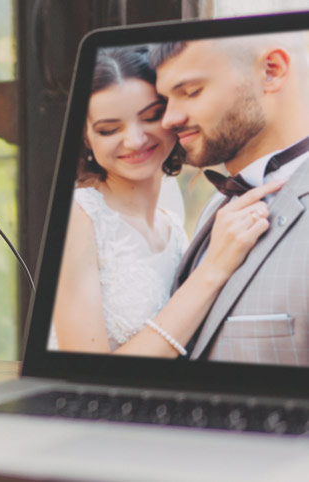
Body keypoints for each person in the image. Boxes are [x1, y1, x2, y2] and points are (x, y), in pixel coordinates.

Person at [51, 46, 282, 357]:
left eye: (151, 117)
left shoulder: (173, 223)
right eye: (109, 129)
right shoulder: (77, 217)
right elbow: (83, 372)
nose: (135, 140)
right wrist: (213, 269)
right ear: (86, 139)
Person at [152, 34, 309, 365]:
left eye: (191, 91)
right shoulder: (217, 205)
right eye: (165, 99)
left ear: (271, 71)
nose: (169, 119)